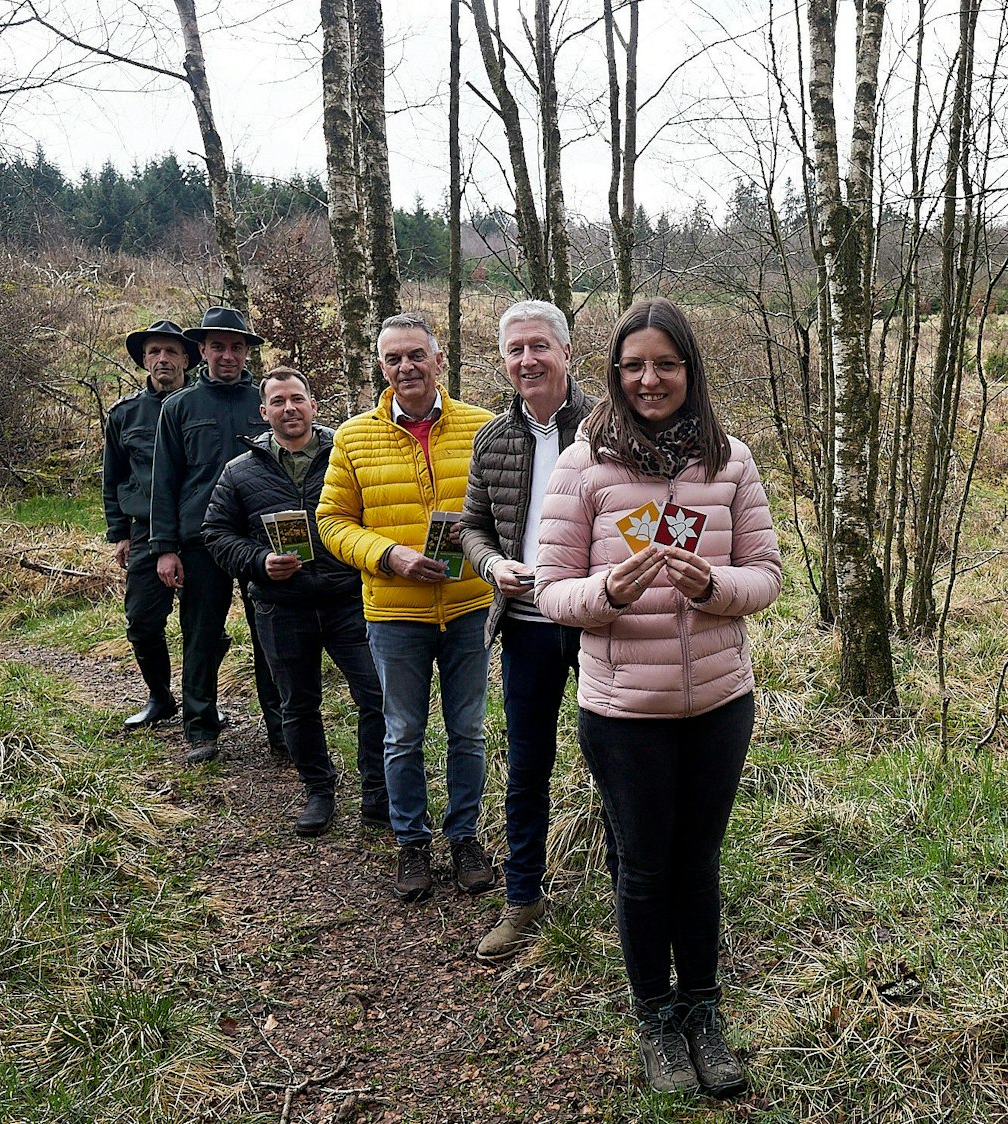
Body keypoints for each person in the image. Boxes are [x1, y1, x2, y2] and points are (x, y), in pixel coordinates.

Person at [534, 297, 781, 1097]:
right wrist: (606, 589)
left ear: (689, 372)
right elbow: (550, 591)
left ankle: (703, 1010)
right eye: (634, 365)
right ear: (614, 372)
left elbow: (766, 577)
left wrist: (714, 585)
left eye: (666, 365)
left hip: (717, 701)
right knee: (643, 869)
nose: (650, 379)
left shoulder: (730, 460)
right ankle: (655, 1019)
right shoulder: (582, 466)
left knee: (698, 862)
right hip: (622, 710)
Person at [318, 313, 500, 902]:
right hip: (394, 612)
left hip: (471, 604)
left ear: (438, 360)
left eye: (416, 355)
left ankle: (465, 836)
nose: (406, 367)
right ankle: (411, 843)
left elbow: (505, 514)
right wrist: (387, 555)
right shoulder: (352, 438)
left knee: (468, 731)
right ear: (381, 366)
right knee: (402, 733)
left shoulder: (484, 428)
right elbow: (330, 522)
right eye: (394, 358)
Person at [458, 299, 597, 960]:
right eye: (514, 350)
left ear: (566, 352)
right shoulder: (492, 438)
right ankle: (523, 898)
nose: (526, 360)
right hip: (526, 626)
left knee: (617, 761)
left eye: (538, 346)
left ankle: (634, 893)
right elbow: (472, 525)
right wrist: (491, 565)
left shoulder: (610, 425)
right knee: (527, 765)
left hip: (601, 624)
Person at [201, 367, 387, 837]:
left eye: (297, 399)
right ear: (264, 412)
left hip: (350, 600)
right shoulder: (239, 471)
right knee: (297, 706)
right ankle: (319, 792)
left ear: (313, 405)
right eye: (279, 401)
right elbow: (215, 533)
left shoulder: (348, 454)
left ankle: (376, 793)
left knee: (377, 697)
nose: (290, 408)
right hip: (281, 606)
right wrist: (259, 561)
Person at [148, 305, 289, 765]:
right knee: (201, 634)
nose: (227, 355)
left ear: (247, 352)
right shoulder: (178, 407)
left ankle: (283, 730)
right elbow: (164, 482)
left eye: (236, 347)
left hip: (261, 542)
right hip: (200, 541)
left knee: (272, 634)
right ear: (203, 351)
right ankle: (200, 729)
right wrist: (165, 548)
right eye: (218, 347)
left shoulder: (267, 403)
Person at [103, 319, 197, 729]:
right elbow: (113, 476)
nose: (163, 359)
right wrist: (119, 532)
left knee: (203, 624)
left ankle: (201, 702)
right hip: (144, 531)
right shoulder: (125, 415)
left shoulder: (202, 404)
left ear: (187, 359)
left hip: (200, 529)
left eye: (172, 352)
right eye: (155, 352)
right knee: (142, 622)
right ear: (144, 359)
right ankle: (161, 697)